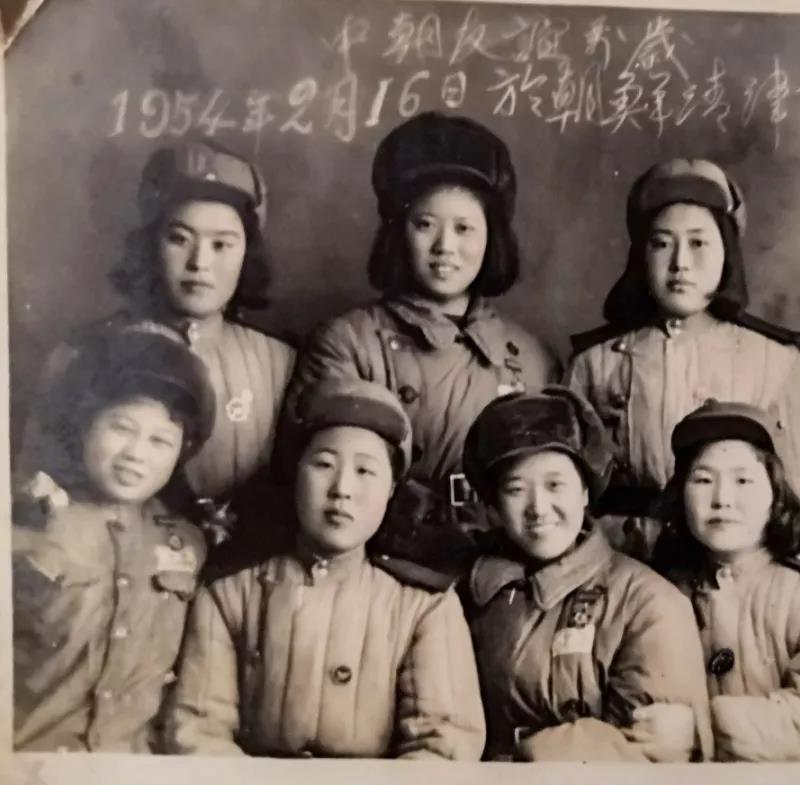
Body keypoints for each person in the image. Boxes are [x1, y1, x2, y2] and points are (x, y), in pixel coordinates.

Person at [282, 111, 559, 581]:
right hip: (382, 574)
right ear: (398, 231)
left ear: (491, 237)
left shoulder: (531, 358)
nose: (444, 246)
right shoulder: (348, 342)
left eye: (464, 228)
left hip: (500, 577)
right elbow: (313, 481)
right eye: (425, 224)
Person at [166, 379, 485, 759]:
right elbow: (199, 731)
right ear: (295, 474)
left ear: (391, 489)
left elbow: (444, 745)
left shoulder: (425, 605)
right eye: (324, 464)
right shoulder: (230, 593)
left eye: (365, 471)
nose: (342, 489)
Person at [18, 139, 295, 557]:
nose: (200, 263)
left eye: (222, 244)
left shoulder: (279, 364)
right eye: (179, 238)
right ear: (150, 243)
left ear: (247, 253)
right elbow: (34, 491)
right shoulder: (80, 354)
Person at [566, 158, 800, 561]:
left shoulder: (777, 360)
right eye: (662, 243)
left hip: (733, 564)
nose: (680, 263)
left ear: (727, 253)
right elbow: (567, 491)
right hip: (624, 560)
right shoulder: (595, 363)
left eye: (699, 243)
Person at [459, 386, 712, 762]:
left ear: (585, 492)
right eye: (516, 489)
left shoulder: (648, 603)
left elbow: (641, 752)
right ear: (494, 506)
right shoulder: (467, 592)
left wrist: (527, 760)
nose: (538, 507)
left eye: (555, 485)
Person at [13, 327, 216, 752]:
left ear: (182, 451)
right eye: (121, 427)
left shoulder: (188, 545)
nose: (136, 454)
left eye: (160, 440)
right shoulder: (27, 523)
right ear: (85, 425)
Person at [649, 400, 800, 761]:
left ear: (775, 492)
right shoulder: (659, 592)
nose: (722, 499)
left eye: (743, 480)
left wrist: (699, 730)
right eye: (703, 480)